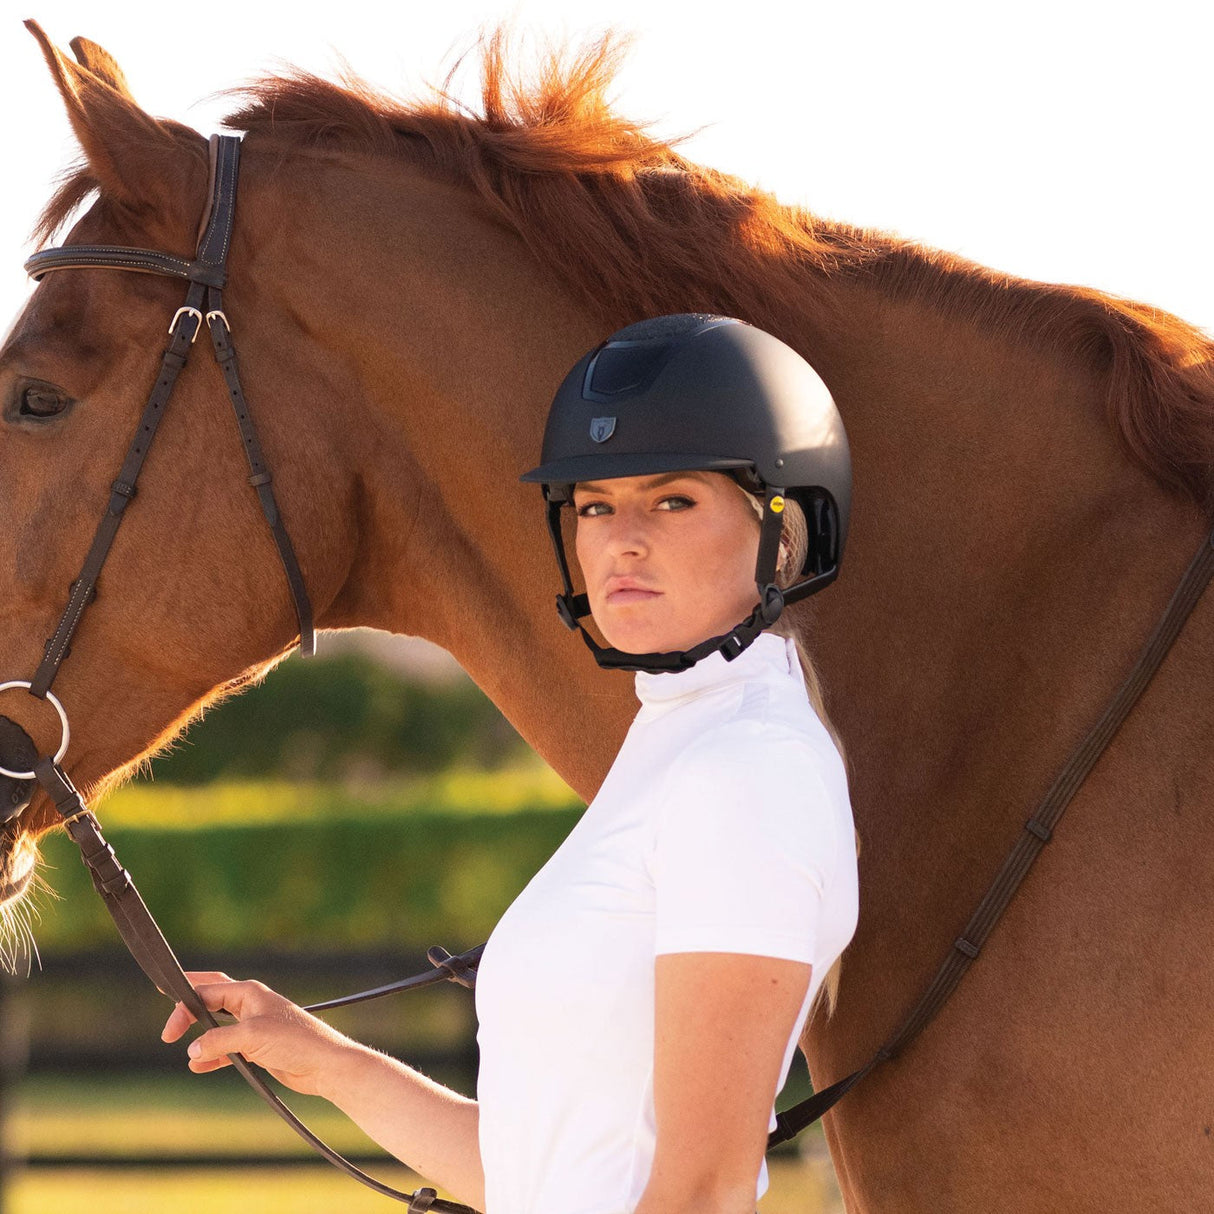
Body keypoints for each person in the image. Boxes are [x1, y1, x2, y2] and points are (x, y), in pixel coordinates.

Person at [162, 313, 859, 1214]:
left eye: (673, 500)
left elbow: (703, 1191)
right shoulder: (678, 742)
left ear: (784, 527)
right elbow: (538, 1179)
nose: (622, 539)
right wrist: (322, 1059)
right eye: (595, 505)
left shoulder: (747, 772)